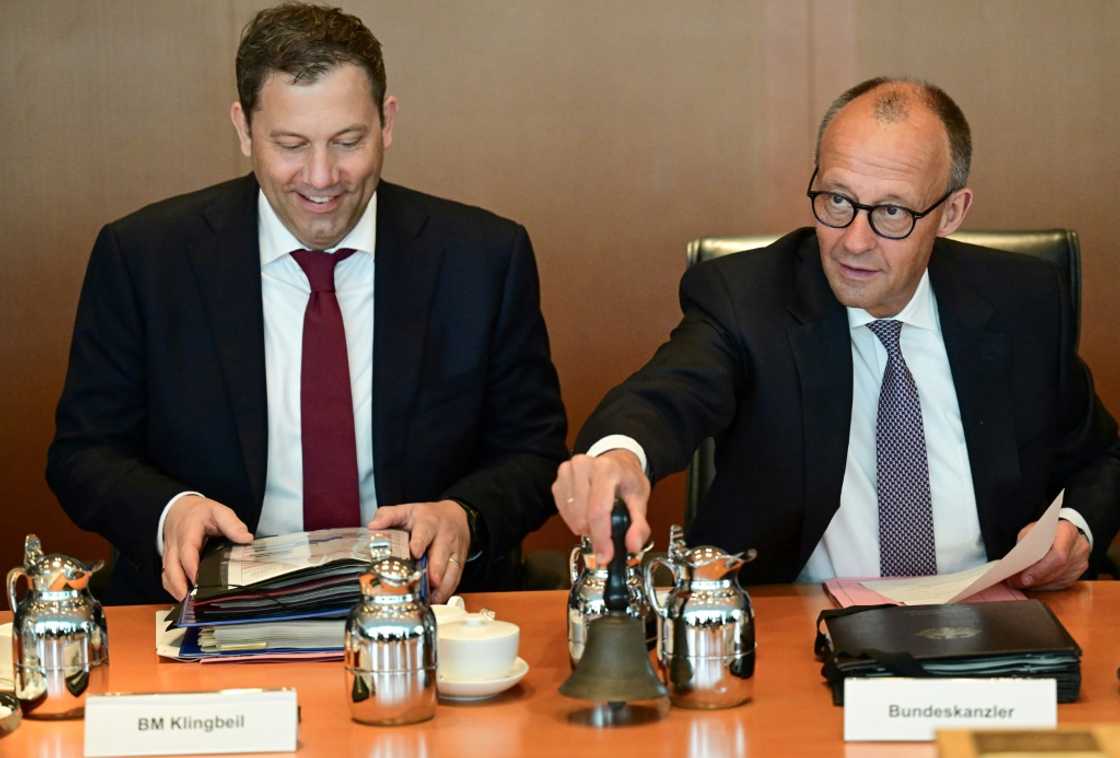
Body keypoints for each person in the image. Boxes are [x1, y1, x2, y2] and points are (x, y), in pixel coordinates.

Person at [47, 2, 567, 604]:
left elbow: (533, 451)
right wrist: (171, 512)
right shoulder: (144, 259)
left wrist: (464, 515)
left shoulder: (483, 258)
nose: (321, 177)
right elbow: (84, 453)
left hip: (427, 610)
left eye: (348, 141)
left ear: (387, 122)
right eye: (291, 144)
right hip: (205, 612)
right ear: (243, 129)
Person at [554, 77, 1120, 590]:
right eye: (837, 200)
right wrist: (621, 458)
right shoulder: (747, 298)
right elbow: (666, 394)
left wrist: (1079, 528)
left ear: (950, 213)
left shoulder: (1023, 302)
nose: (853, 241)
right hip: (801, 630)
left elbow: (1103, 458)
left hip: (988, 624)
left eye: (893, 212)